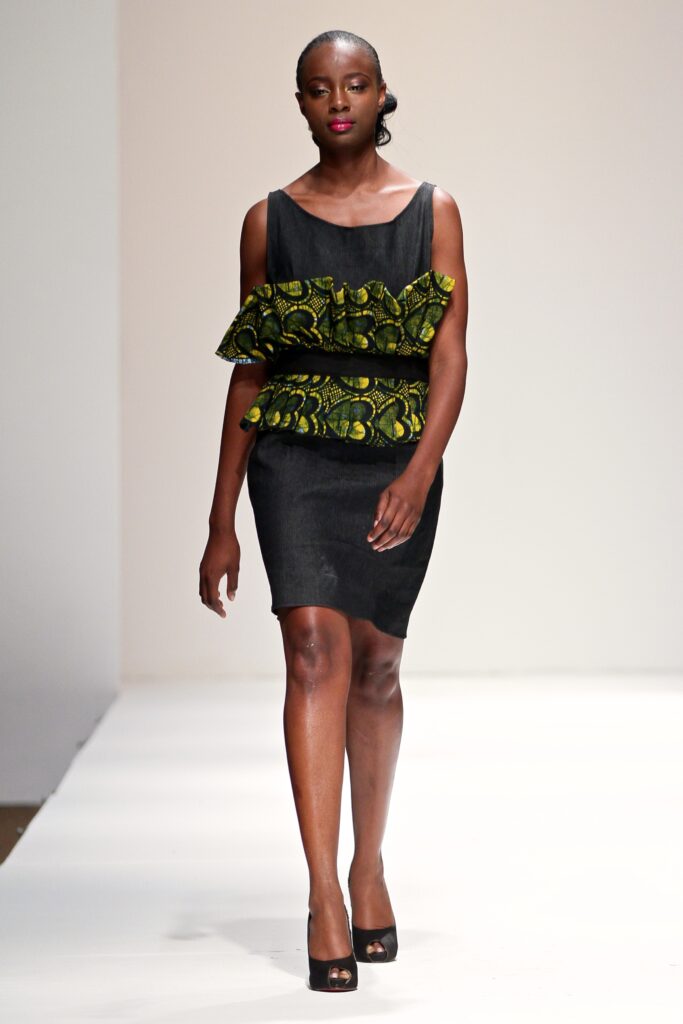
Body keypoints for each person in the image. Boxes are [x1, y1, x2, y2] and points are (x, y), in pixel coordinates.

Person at [200, 28, 468, 992]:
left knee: (378, 664)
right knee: (313, 649)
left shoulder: (432, 211)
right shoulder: (267, 222)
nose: (339, 101)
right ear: (301, 103)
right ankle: (321, 892)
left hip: (397, 453)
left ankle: (368, 865)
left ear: (383, 94)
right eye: (319, 88)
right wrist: (221, 520)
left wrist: (419, 472)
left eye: (355, 84)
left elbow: (449, 357)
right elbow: (251, 367)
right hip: (295, 457)